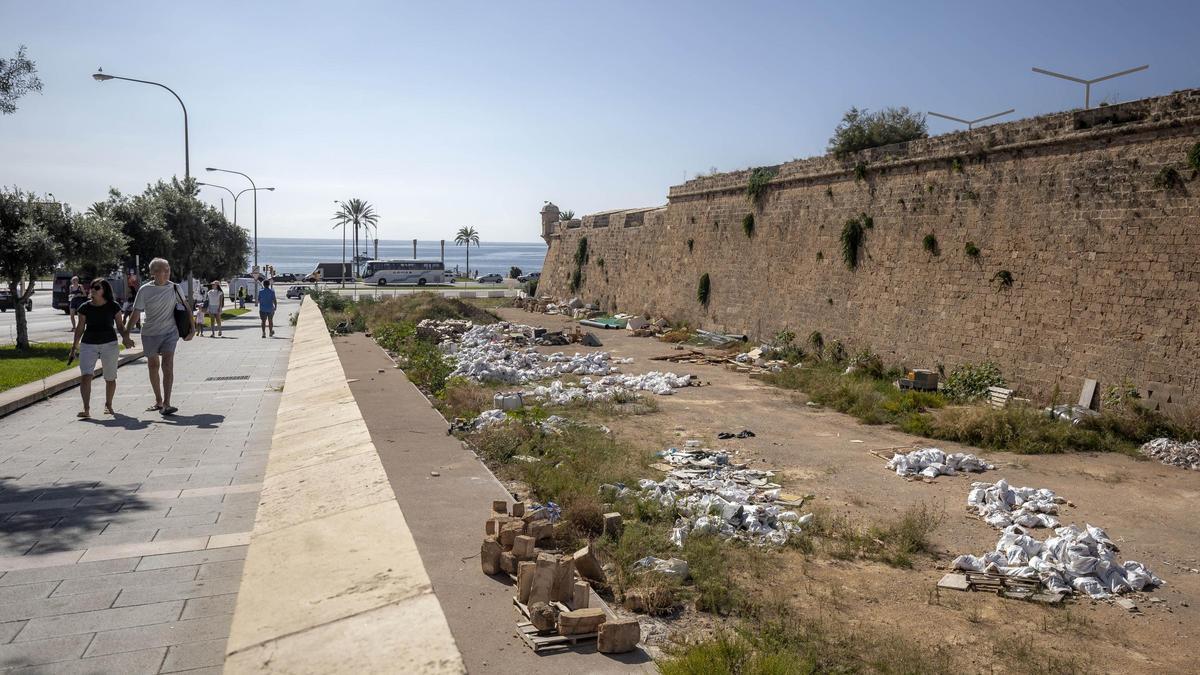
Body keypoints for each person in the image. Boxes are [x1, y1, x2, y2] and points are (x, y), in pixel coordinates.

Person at [126, 257, 193, 415]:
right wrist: (126, 334)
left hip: (170, 332)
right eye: (164, 270)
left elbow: (187, 307)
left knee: (168, 365)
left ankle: (167, 404)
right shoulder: (145, 290)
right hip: (150, 333)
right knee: (153, 366)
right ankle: (158, 400)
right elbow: (136, 313)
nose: (167, 273)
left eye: (168, 269)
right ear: (154, 273)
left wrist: (193, 328)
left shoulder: (175, 288)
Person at [68, 279, 134, 418]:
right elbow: (80, 328)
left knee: (110, 377)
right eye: (91, 287)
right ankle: (86, 409)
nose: (92, 290)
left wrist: (126, 338)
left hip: (109, 344)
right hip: (88, 344)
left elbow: (120, 326)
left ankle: (108, 404)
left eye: (96, 288)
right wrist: (74, 347)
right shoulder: (84, 307)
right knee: (86, 375)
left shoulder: (113, 306)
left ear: (104, 290)